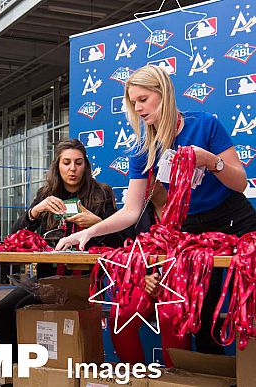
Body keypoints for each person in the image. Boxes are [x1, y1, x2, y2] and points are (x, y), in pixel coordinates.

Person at [56, 65, 256, 365]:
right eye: (132, 102)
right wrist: (88, 232)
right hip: (190, 231)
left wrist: (210, 161)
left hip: (234, 218)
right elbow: (132, 211)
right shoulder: (142, 148)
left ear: (164, 95)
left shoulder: (205, 125)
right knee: (202, 317)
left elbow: (240, 182)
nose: (137, 108)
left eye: (143, 99)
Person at [0, 139, 124, 363]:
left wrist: (97, 223)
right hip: (48, 278)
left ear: (86, 166)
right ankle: (19, 374)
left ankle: (33, 373)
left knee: (23, 309)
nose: (72, 169)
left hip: (84, 281)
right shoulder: (47, 194)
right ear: (58, 166)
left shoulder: (102, 193)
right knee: (0, 314)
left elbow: (120, 244)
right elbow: (14, 236)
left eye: (78, 163)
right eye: (67, 162)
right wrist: (35, 211)